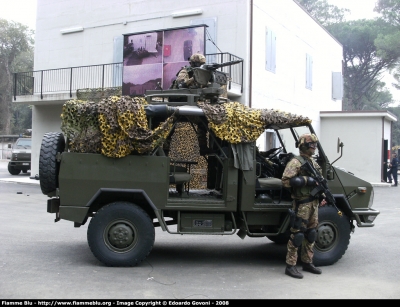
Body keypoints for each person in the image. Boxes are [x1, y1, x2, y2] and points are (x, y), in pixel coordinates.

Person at [281, 133, 327, 279]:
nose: (314, 147)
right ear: (303, 146)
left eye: (315, 144)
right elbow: (286, 181)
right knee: (298, 235)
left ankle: (307, 262)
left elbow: (320, 183)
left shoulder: (313, 163)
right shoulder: (296, 162)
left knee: (311, 234)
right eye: (311, 144)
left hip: (313, 203)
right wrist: (307, 180)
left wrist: (323, 196)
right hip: (302, 204)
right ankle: (291, 266)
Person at [168, 53, 213, 156]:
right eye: (200, 64)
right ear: (194, 63)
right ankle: (165, 151)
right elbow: (181, 85)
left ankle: (202, 147)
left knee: (203, 121)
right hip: (177, 104)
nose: (201, 66)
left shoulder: (201, 74)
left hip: (190, 104)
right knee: (170, 129)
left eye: (203, 64)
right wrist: (194, 79)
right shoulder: (185, 71)